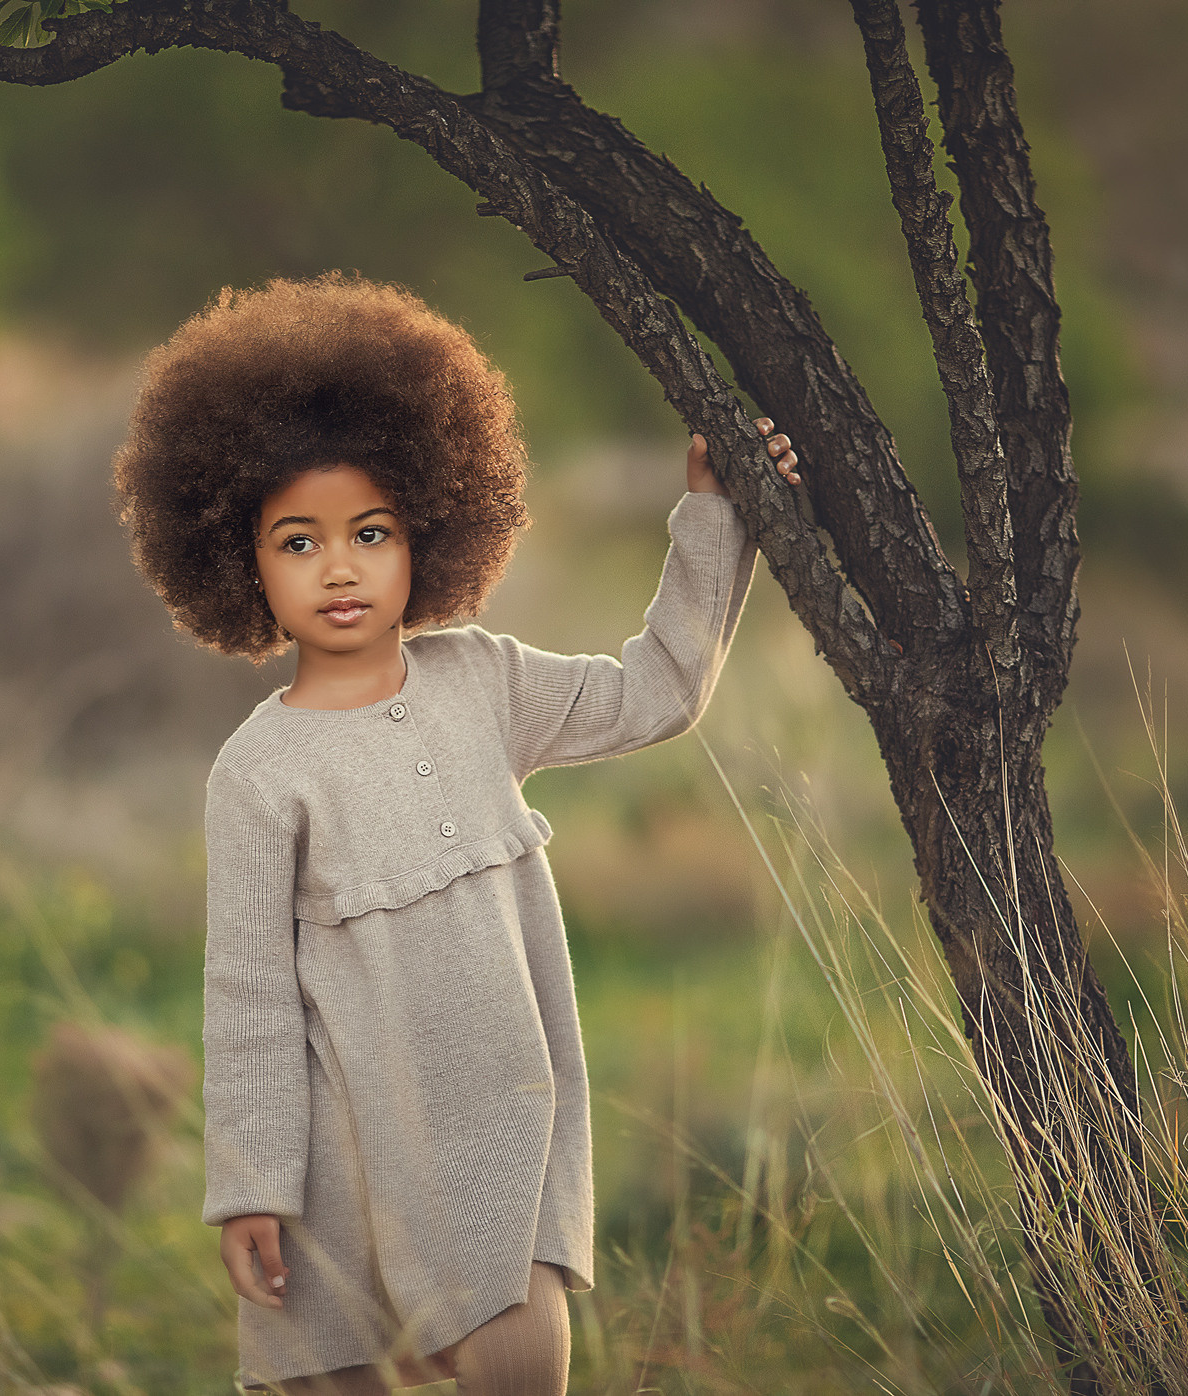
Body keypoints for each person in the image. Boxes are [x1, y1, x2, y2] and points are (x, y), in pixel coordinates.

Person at [111, 272, 798, 1394]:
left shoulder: (484, 681)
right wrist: (248, 1183)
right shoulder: (257, 770)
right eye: (298, 540)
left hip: (501, 1120)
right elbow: (246, 996)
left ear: (429, 527)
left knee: (519, 1357)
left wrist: (715, 514)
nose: (339, 566)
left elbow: (659, 689)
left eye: (370, 531)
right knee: (327, 1369)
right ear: (239, 560)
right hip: (344, 1146)